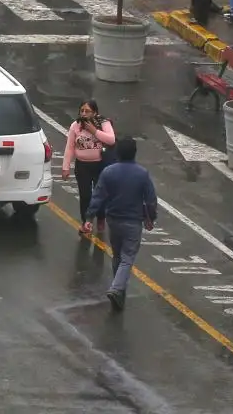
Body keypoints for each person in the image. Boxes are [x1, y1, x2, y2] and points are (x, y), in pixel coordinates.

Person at [83, 138, 156, 312]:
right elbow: (151, 200)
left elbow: (98, 196)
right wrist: (150, 218)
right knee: (128, 257)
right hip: (133, 222)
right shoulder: (142, 174)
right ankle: (116, 289)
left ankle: (119, 293)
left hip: (113, 220)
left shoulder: (108, 172)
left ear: (117, 153)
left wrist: (88, 218)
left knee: (117, 255)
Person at [62, 100, 116, 225]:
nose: (84, 114)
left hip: (100, 165)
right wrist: (66, 167)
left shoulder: (103, 123)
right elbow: (70, 147)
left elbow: (111, 140)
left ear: (95, 113)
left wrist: (94, 131)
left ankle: (101, 217)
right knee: (85, 195)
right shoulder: (75, 126)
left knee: (101, 195)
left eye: (88, 111)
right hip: (82, 166)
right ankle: (86, 221)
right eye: (82, 111)